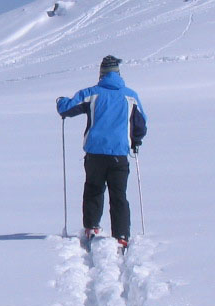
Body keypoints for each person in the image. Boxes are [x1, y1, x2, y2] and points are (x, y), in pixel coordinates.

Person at [56, 55, 147, 251]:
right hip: (119, 155)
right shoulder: (130, 96)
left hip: (95, 154)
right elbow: (140, 124)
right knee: (119, 195)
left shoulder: (92, 94)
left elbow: (66, 108)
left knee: (93, 189)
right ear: (118, 73)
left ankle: (92, 227)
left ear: (101, 73)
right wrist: (136, 140)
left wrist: (60, 102)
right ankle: (121, 236)